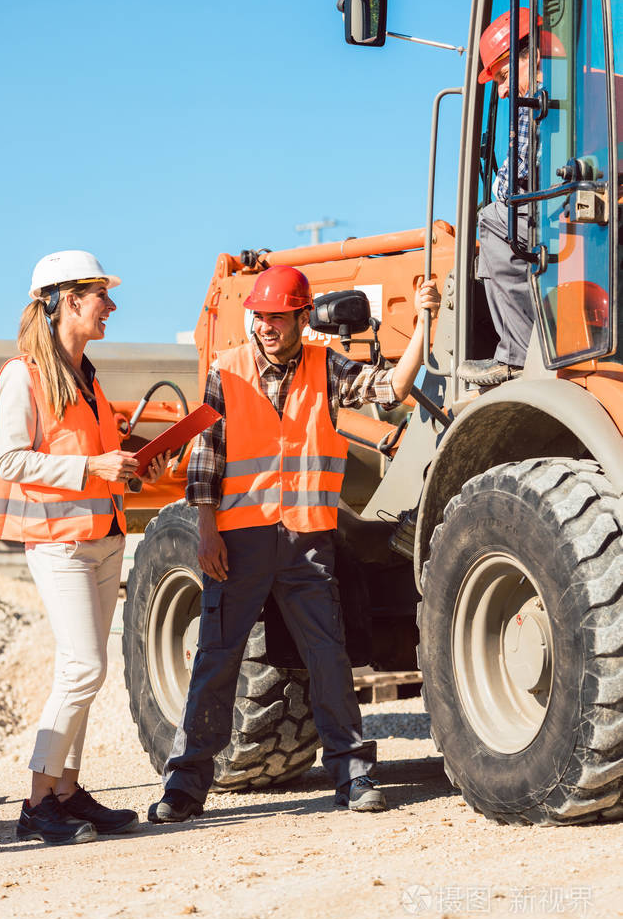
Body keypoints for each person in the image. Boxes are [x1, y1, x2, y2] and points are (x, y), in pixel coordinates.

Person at [148, 264, 441, 823]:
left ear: (302, 318)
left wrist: (425, 320)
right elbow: (207, 458)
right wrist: (206, 528)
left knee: (328, 658)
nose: (266, 327)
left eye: (278, 317)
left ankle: (354, 776)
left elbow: (393, 387)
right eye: (260, 317)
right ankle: (184, 787)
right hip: (240, 541)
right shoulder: (227, 370)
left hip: (307, 540)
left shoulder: (325, 366)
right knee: (216, 660)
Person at [0, 249, 168, 845]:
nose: (110, 306)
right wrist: (94, 463)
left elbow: (93, 459)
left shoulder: (86, 375)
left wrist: (134, 461)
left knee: (85, 671)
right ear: (68, 300)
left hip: (103, 538)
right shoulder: (24, 375)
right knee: (84, 667)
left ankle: (66, 792)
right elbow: (11, 459)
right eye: (101, 296)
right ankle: (37, 802)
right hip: (57, 541)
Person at [458, 8, 563, 387]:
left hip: (558, 215)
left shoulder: (540, 101)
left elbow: (512, 186)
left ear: (531, 56)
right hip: (578, 210)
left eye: (503, 76)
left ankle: (517, 355)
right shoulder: (589, 83)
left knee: (492, 219)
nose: (502, 90)